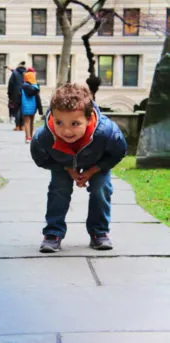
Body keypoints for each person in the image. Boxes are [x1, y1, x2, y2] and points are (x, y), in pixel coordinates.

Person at [30, 83, 127, 253]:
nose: (66, 131)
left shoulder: (107, 132)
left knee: (101, 189)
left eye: (75, 123)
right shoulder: (44, 137)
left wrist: (94, 170)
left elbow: (118, 152)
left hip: (96, 161)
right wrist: (68, 168)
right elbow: (40, 159)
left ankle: (99, 232)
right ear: (52, 115)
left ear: (89, 119)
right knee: (59, 190)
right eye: (59, 122)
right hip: (62, 163)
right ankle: (53, 233)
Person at [21, 68, 43, 143]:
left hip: (25, 106)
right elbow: (38, 99)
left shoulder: (23, 86)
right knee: (32, 121)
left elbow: (19, 97)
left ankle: (28, 137)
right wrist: (40, 109)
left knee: (26, 122)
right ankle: (31, 136)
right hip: (33, 106)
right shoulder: (36, 87)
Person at [7, 61, 26, 130]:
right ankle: (22, 127)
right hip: (25, 94)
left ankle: (17, 126)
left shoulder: (14, 73)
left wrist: (9, 94)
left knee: (17, 110)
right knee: (23, 110)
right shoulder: (26, 73)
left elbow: (10, 84)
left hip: (15, 95)